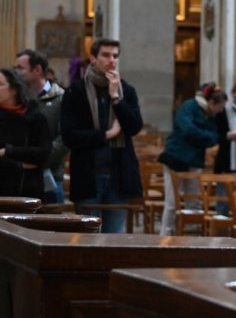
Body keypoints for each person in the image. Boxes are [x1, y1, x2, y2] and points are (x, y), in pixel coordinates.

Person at [61, 39, 144, 233]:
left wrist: (116, 98)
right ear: (93, 58)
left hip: (118, 176)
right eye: (106, 55)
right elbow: (70, 136)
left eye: (115, 56)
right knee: (88, 237)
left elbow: (134, 127)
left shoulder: (126, 91)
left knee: (113, 238)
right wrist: (107, 135)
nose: (112, 60)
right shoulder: (76, 91)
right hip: (88, 175)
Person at [157, 84, 224, 235]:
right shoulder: (189, 106)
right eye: (220, 106)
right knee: (172, 203)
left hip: (194, 161)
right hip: (175, 158)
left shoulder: (210, 115)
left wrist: (201, 136)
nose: (221, 110)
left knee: (194, 202)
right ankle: (164, 238)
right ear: (212, 102)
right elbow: (188, 130)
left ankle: (191, 237)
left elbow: (215, 137)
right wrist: (204, 137)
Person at [15, 49, 66, 203]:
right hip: (17, 175)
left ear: (37, 70)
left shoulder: (61, 98)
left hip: (49, 175)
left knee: (51, 224)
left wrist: (38, 159)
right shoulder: (14, 97)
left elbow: (64, 138)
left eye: (20, 68)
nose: (15, 72)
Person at [0, 66, 51, 199]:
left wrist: (8, 151)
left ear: (14, 89)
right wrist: (19, 165)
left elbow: (44, 153)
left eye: (0, 84)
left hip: (31, 191)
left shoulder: (36, 117)